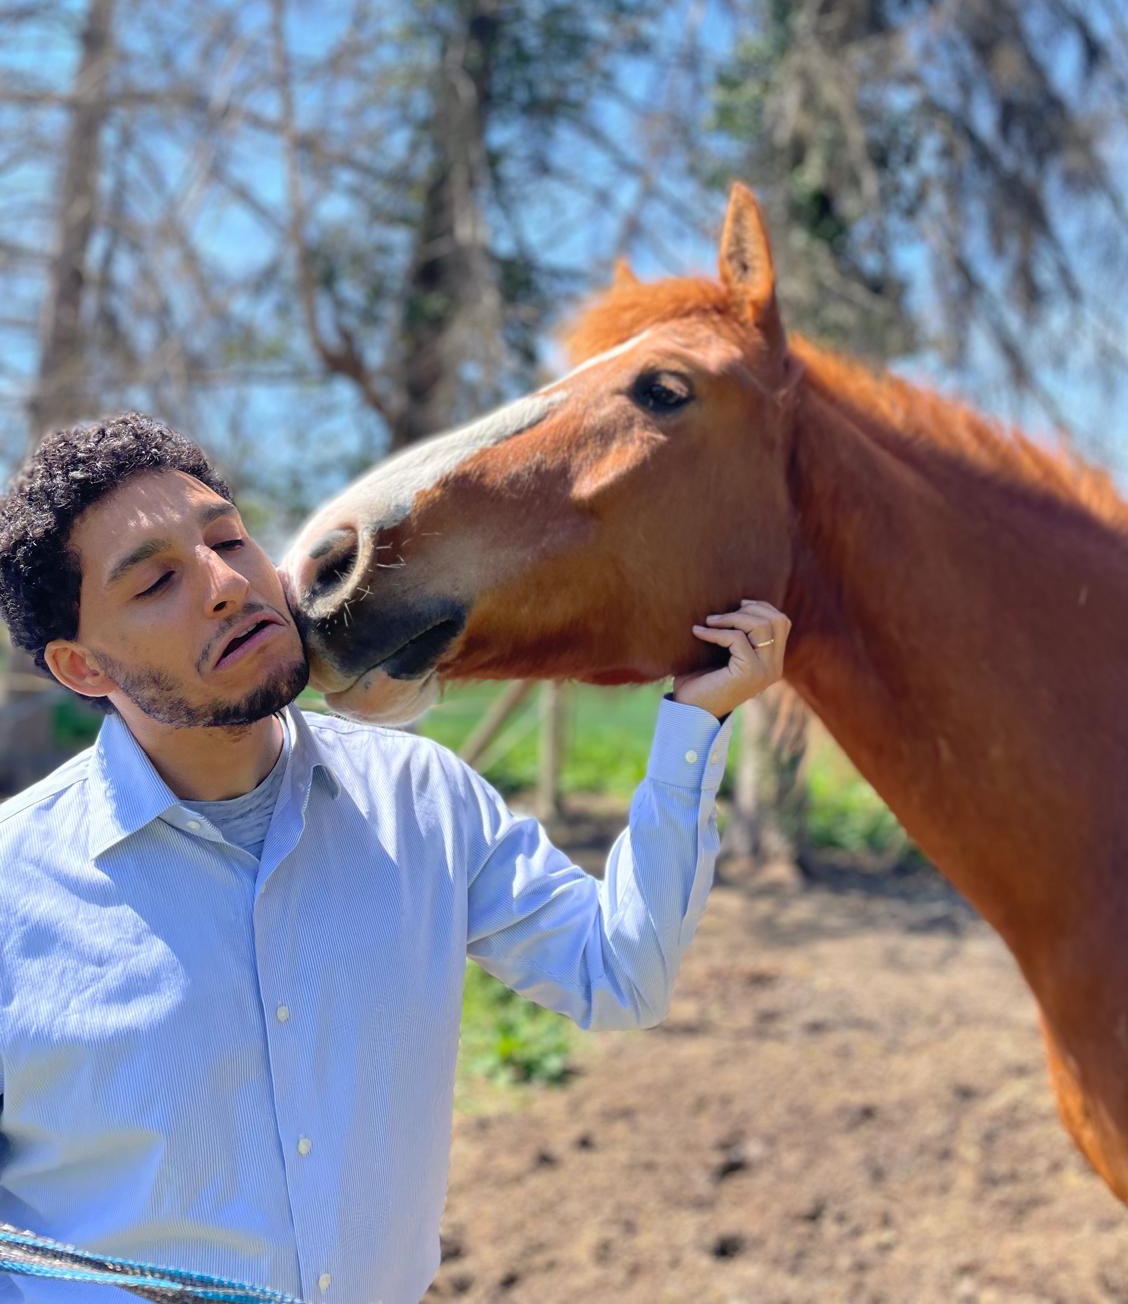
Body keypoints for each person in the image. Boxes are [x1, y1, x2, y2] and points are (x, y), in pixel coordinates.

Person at [0, 413, 790, 1304]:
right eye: (156, 584)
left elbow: (618, 976)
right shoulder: (12, 889)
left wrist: (696, 722)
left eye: (228, 538)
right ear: (82, 667)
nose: (226, 584)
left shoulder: (422, 802)